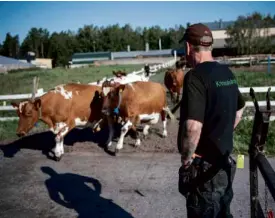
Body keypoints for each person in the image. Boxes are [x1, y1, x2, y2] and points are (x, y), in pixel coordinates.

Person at [177, 23, 246, 218]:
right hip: (224, 161)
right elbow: (240, 108)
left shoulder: (195, 77)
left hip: (203, 165)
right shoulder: (226, 72)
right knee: (223, 212)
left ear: (189, 47)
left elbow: (193, 127)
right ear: (209, 45)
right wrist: (223, 130)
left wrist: (186, 159)